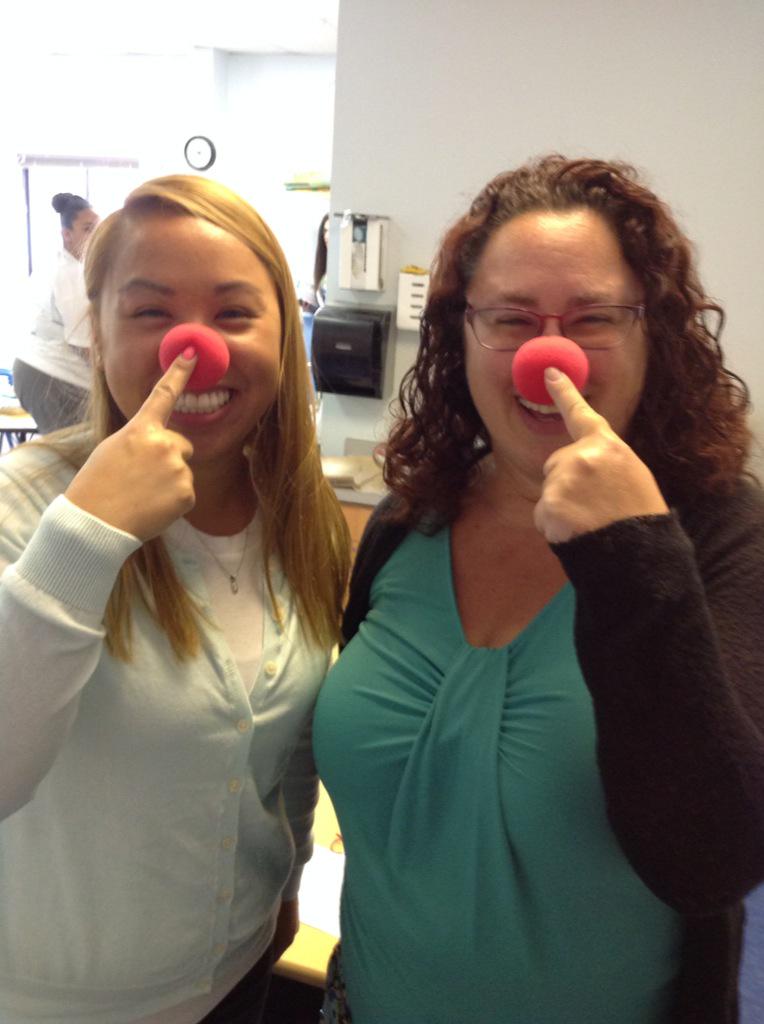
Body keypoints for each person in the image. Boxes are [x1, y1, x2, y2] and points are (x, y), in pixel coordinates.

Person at [313, 154, 764, 1024]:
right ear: (461, 335)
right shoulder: (413, 516)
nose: (548, 352)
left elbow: (711, 860)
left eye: (593, 317)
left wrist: (633, 554)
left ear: (652, 334)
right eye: (510, 318)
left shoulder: (722, 533)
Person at [0, 175, 350, 1023]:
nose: (195, 348)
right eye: (151, 313)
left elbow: (290, 750)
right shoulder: (25, 505)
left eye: (235, 314)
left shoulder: (302, 521)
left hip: (235, 978)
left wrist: (288, 882)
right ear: (98, 337)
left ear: (285, 333)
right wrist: (84, 539)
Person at [13, 192, 100, 433]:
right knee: (79, 454)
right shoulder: (70, 274)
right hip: (49, 375)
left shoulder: (69, 266)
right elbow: (84, 346)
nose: (96, 235)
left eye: (98, 228)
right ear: (67, 235)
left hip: (38, 371)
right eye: (88, 229)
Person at [299, 213, 329, 314]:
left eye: (330, 231)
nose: (327, 236)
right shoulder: (322, 266)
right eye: (325, 231)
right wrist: (309, 307)